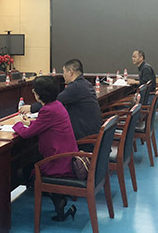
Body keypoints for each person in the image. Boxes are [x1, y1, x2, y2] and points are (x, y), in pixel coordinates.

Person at [13, 76, 78, 222]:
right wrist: (30, 123)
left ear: (38, 94)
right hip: (67, 156)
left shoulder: (47, 110)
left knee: (23, 172)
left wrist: (18, 123)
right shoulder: (56, 105)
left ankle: (57, 197)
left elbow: (26, 134)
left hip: (59, 162)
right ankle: (58, 199)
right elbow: (44, 124)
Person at [20, 59, 102, 149]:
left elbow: (53, 101)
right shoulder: (85, 83)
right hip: (92, 134)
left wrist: (31, 108)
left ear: (70, 72)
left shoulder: (76, 87)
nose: (63, 75)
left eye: (64, 72)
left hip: (85, 139)